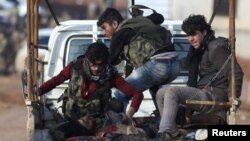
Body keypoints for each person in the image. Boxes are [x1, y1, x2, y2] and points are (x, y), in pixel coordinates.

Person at [155, 14, 244, 139]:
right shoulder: (198, 51)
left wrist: (232, 96)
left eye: (193, 34)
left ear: (204, 31)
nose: (190, 39)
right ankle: (172, 129)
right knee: (160, 93)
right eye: (188, 35)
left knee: (172, 91)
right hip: (203, 93)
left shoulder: (215, 47)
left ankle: (166, 132)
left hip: (215, 97)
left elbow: (236, 72)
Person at [37, 42, 143, 139]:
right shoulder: (75, 67)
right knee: (57, 134)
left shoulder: (111, 75)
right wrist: (39, 91)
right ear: (87, 60)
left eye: (100, 65)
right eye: (93, 64)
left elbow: (137, 93)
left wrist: (129, 116)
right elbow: (56, 80)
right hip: (72, 119)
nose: (96, 69)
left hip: (94, 124)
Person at [97, 7, 180, 111]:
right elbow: (159, 17)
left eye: (104, 28)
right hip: (175, 66)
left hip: (157, 67)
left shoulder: (120, 33)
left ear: (114, 24)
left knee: (120, 92)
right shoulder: (139, 22)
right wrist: (142, 18)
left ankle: (118, 124)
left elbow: (111, 60)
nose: (103, 33)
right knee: (154, 88)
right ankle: (164, 118)